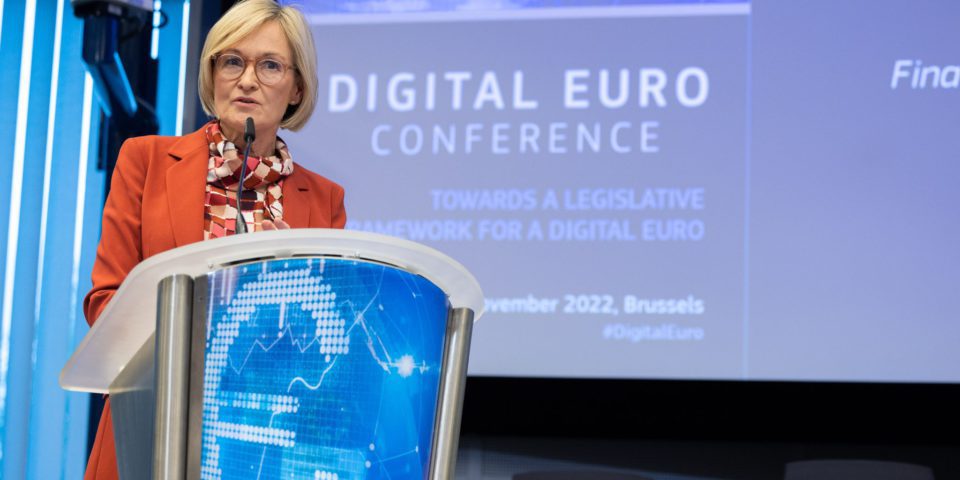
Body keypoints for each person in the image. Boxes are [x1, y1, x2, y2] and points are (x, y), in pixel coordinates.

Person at [82, 1, 345, 478]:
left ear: (297, 88)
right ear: (212, 73)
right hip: (150, 428)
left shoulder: (325, 201)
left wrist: (292, 298)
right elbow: (105, 304)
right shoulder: (145, 161)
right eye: (232, 61)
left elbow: (328, 346)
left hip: (262, 446)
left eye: (270, 65)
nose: (247, 80)